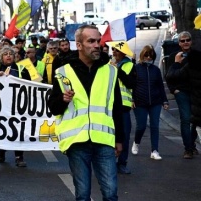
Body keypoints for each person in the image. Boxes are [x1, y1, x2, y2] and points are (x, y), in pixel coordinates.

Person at [48, 24, 123, 200]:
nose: (97, 45)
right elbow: (53, 107)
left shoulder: (111, 71)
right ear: (79, 45)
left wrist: (120, 139)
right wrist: (63, 100)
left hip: (104, 140)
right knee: (82, 194)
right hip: (77, 141)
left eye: (98, 41)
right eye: (91, 41)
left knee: (111, 192)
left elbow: (117, 108)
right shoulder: (63, 71)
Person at [0, 46, 30, 167]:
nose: (8, 56)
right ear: (1, 57)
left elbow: (30, 85)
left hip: (18, 105)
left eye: (11, 54)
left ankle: (19, 156)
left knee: (18, 130)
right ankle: (2, 151)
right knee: (3, 129)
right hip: (1, 106)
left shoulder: (22, 69)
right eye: (5, 54)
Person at [131, 45, 169, 160]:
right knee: (141, 126)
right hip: (140, 102)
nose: (148, 58)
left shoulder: (156, 70)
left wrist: (165, 100)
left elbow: (160, 87)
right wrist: (132, 99)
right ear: (142, 55)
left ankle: (154, 150)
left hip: (155, 101)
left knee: (154, 126)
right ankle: (136, 142)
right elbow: (131, 85)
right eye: (146, 55)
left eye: (150, 56)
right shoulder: (136, 68)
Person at [165, 31, 198, 159]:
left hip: (195, 92)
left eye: (187, 40)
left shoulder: (196, 55)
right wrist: (173, 90)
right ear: (179, 43)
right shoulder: (174, 56)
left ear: (191, 41)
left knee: (195, 120)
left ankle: (192, 144)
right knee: (185, 119)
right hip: (181, 92)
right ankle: (188, 149)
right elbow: (168, 75)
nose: (185, 42)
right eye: (182, 40)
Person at [107, 41, 136, 174]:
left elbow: (130, 83)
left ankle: (122, 163)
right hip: (108, 104)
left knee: (124, 135)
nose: (114, 53)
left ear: (123, 53)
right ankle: (109, 162)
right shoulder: (108, 65)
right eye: (113, 50)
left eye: (116, 50)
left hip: (123, 106)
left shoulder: (130, 65)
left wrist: (116, 70)